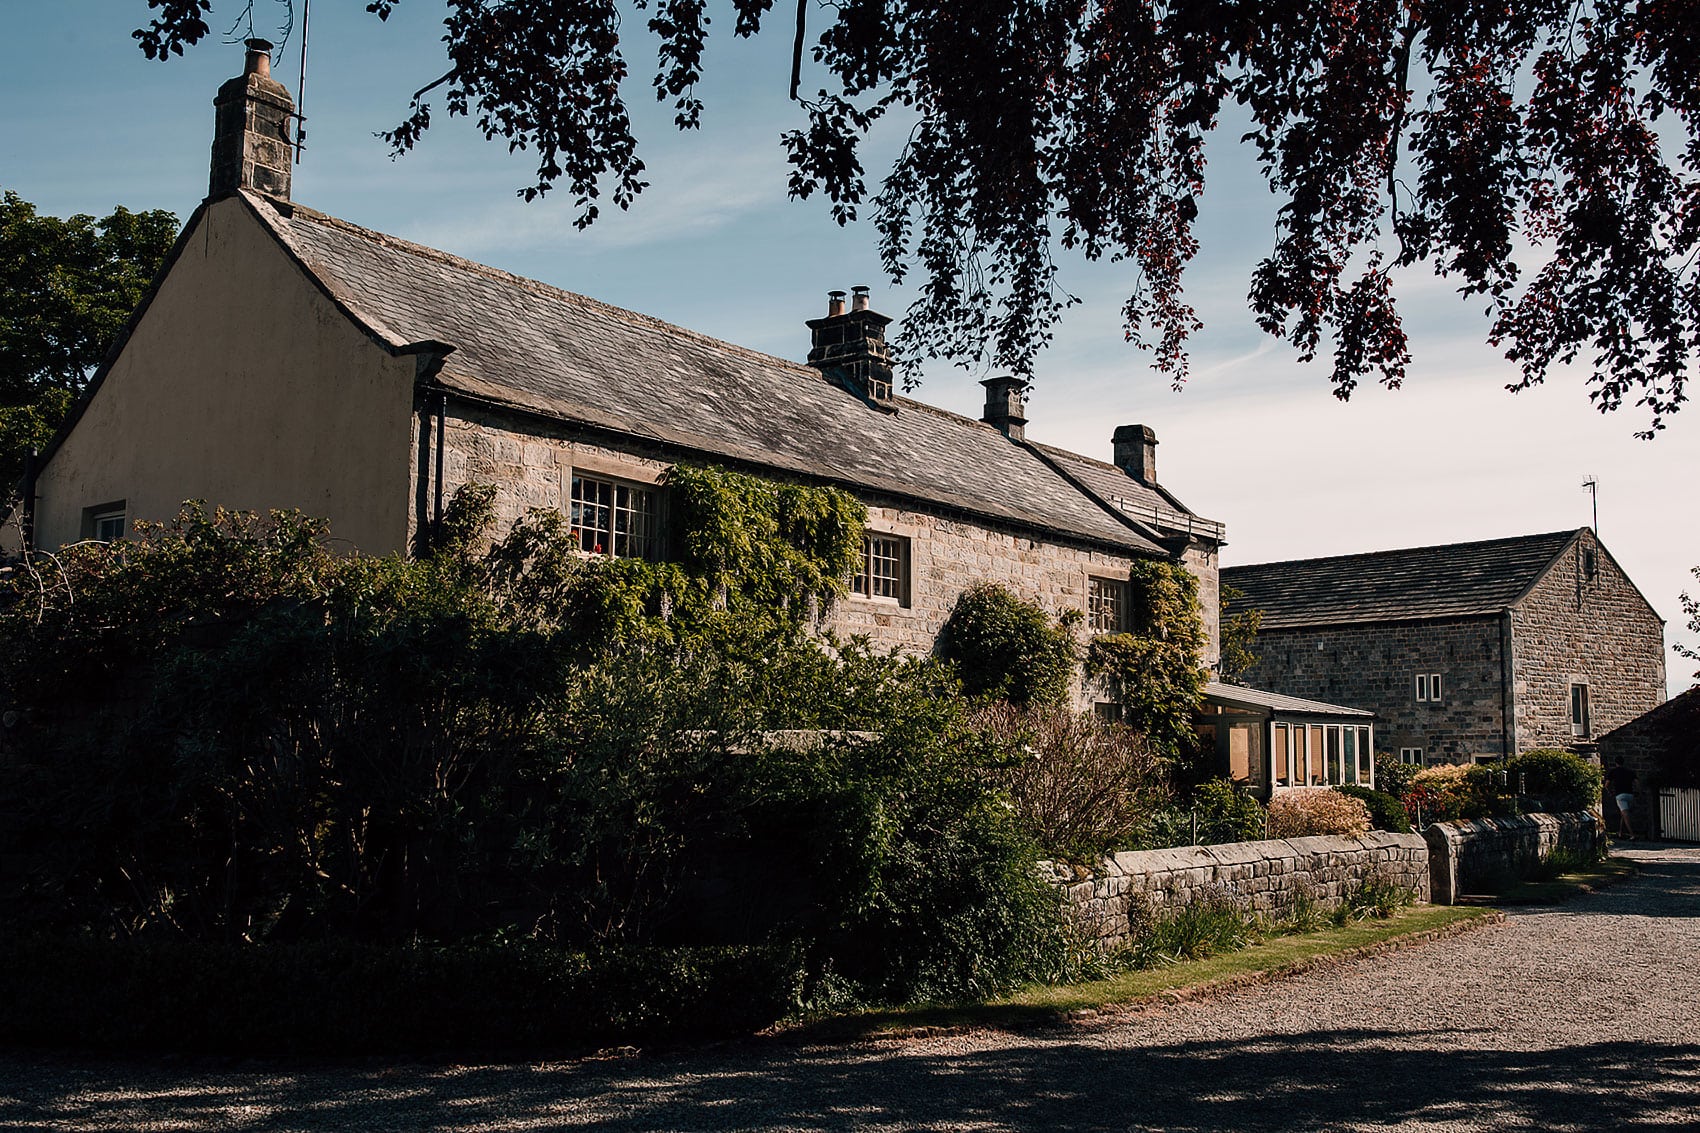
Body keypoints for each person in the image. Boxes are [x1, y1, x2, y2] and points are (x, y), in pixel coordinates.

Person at [1605, 757, 1637, 840]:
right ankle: (1620, 832)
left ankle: (1632, 834)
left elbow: (1606, 785)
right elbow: (1637, 782)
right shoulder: (1630, 772)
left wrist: (1610, 792)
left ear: (1616, 763)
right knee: (1623, 814)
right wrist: (1638, 792)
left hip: (1620, 795)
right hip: (1630, 795)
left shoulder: (1613, 772)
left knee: (1625, 815)